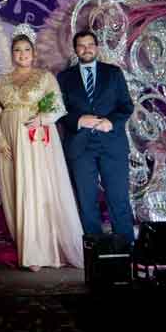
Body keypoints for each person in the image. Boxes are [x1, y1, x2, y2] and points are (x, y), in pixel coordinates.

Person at [0, 25, 83, 270]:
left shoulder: (44, 77)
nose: (22, 55)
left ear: (33, 53)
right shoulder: (3, 80)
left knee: (36, 187)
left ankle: (42, 250)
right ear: (12, 54)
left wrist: (42, 119)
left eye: (26, 50)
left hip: (35, 139)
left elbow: (58, 107)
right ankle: (27, 246)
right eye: (17, 50)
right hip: (10, 141)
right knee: (16, 188)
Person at [57, 31, 136, 242]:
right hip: (80, 146)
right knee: (87, 201)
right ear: (75, 50)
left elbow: (126, 106)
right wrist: (79, 120)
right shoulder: (64, 77)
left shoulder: (113, 73)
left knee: (118, 199)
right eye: (81, 46)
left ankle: (127, 250)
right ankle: (96, 255)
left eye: (90, 44)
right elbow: (59, 111)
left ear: (97, 47)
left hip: (112, 145)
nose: (86, 49)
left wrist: (111, 122)